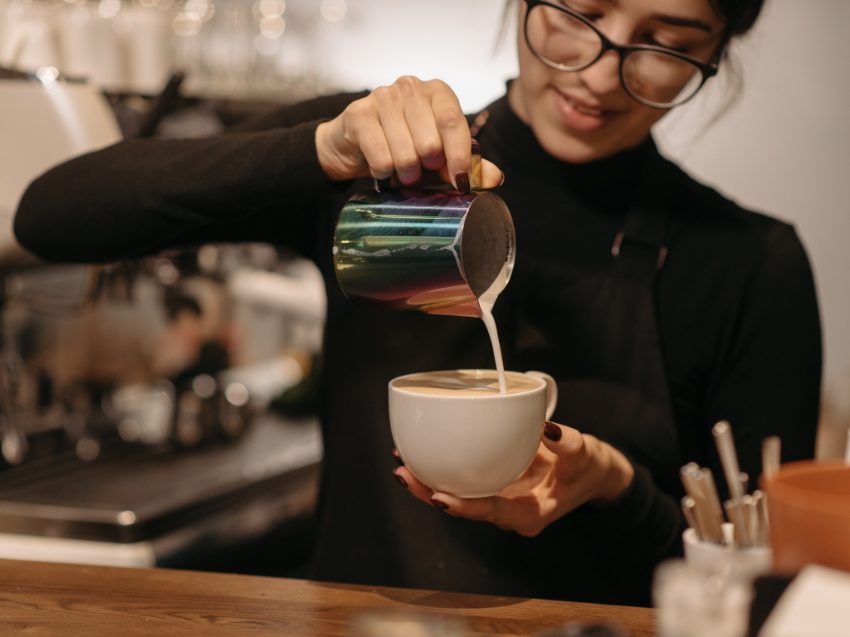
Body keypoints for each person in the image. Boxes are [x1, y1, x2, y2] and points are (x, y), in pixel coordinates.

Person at [14, 0, 820, 605]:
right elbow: (48, 215)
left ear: (717, 51)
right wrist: (318, 147)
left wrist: (619, 489)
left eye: (665, 45)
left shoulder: (747, 262)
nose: (601, 74)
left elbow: (765, 586)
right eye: (581, 12)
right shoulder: (385, 176)